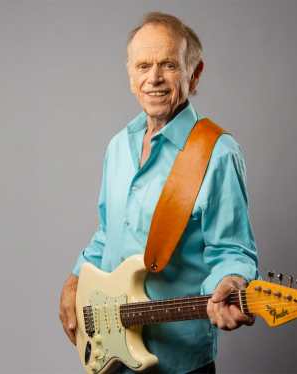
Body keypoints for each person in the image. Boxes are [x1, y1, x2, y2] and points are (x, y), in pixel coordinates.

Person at [58, 12, 258, 373]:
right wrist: (75, 280)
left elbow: (232, 250)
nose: (154, 78)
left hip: (178, 361)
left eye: (168, 65)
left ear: (194, 75)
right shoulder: (118, 147)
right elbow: (107, 233)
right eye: (143, 66)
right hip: (113, 352)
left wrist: (230, 282)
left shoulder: (217, 153)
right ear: (130, 76)